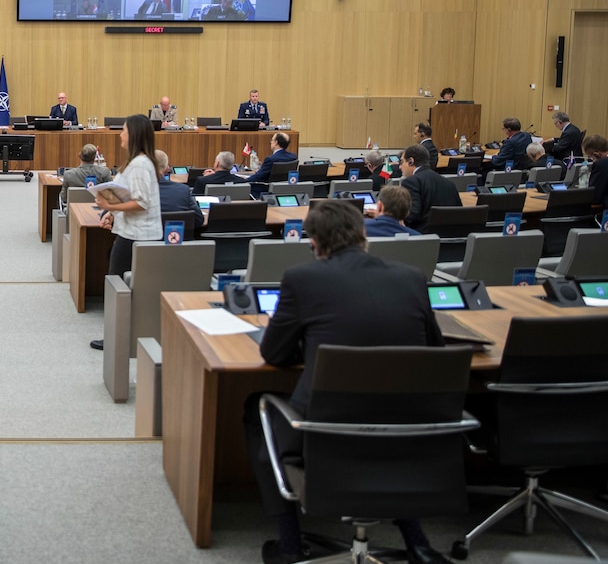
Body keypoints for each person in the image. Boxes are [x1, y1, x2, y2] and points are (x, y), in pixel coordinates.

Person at [247, 200, 446, 564]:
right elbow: (434, 349)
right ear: (363, 234)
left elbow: (274, 356)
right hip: (409, 431)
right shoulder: (412, 277)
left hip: (323, 431)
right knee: (384, 423)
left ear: (315, 243)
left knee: (255, 406)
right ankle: (418, 543)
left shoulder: (301, 278)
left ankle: (290, 544)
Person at [90, 115, 160, 350]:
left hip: (137, 236)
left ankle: (115, 338)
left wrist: (110, 207)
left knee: (116, 285)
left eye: (124, 131)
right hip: (131, 232)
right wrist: (113, 213)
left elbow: (141, 203)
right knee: (118, 284)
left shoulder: (140, 165)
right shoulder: (137, 162)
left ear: (135, 135)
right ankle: (118, 335)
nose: (120, 134)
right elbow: (127, 195)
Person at [399, 143, 462, 231]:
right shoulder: (449, 183)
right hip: (449, 238)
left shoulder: (411, 182)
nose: (400, 167)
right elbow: (459, 212)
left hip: (422, 238)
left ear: (410, 161)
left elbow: (412, 215)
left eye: (402, 162)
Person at [156, 150, 203, 232]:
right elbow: (199, 221)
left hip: (143, 243)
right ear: (167, 169)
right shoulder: (183, 190)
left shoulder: (135, 192)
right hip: (179, 241)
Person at [583, 134, 608, 206]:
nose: (592, 161)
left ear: (596, 154)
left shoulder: (601, 164)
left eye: (591, 158)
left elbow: (594, 196)